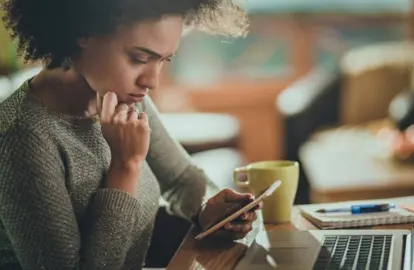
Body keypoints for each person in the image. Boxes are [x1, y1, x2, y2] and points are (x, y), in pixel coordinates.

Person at [0, 0, 259, 269]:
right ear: (83, 31)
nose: (151, 81)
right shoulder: (22, 137)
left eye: (163, 59)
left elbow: (181, 179)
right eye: (139, 58)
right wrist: (125, 167)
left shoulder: (122, 96)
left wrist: (207, 209)